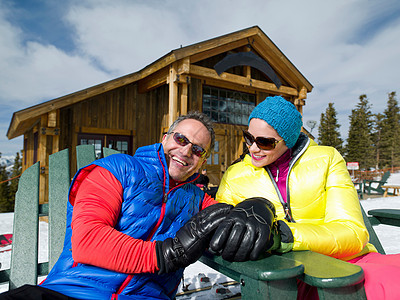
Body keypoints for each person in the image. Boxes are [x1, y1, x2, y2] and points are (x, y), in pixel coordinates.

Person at [0, 111, 273, 300]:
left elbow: (233, 217)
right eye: (181, 139)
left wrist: (260, 207)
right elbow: (88, 241)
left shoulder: (196, 198)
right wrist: (168, 254)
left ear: (202, 161)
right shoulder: (116, 169)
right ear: (165, 137)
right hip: (72, 291)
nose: (186, 152)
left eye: (198, 150)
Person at [214, 96, 400, 300]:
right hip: (290, 276)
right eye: (249, 138)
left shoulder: (326, 160)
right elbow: (224, 232)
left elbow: (353, 232)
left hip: (353, 260)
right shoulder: (235, 176)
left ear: (289, 140)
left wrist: (285, 234)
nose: (253, 148)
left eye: (265, 142)